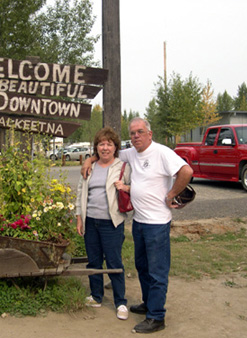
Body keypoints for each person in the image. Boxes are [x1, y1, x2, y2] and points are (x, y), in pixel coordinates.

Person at [81, 117, 193, 333]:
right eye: (132, 133)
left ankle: (157, 316)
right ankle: (148, 303)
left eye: (140, 132)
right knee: (142, 267)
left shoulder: (161, 152)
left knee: (157, 271)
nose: (135, 136)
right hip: (139, 222)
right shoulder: (131, 153)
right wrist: (89, 160)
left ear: (149, 134)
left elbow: (186, 171)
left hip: (157, 223)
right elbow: (107, 152)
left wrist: (171, 194)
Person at [75, 126, 131, 321]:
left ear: (115, 147)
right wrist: (79, 217)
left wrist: (126, 186)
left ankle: (120, 302)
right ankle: (96, 295)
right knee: (94, 261)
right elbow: (81, 193)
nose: (105, 148)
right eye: (101, 144)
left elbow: (136, 187)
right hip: (91, 222)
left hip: (111, 223)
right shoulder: (90, 167)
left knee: (114, 262)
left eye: (109, 144)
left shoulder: (122, 166)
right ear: (96, 147)